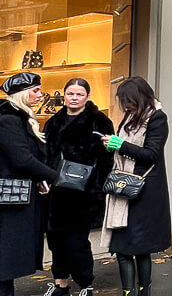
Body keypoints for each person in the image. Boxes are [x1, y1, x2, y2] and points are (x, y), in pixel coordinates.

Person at [43, 79, 114, 296]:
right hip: (56, 191)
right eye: (70, 93)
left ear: (87, 97)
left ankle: (86, 284)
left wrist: (97, 184)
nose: (74, 98)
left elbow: (107, 158)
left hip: (85, 193)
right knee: (56, 239)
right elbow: (47, 154)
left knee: (77, 241)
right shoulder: (53, 121)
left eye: (79, 94)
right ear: (63, 95)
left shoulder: (99, 121)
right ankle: (60, 283)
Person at [101, 77, 171, 296]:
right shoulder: (130, 117)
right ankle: (129, 292)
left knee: (141, 249)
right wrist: (112, 145)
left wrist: (121, 145)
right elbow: (125, 149)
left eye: (128, 101)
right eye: (124, 102)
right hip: (123, 190)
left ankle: (143, 290)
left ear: (140, 98)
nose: (126, 106)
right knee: (121, 247)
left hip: (144, 192)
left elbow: (151, 154)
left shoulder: (158, 118)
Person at [0, 73, 59, 296]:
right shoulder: (8, 119)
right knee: (6, 260)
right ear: (23, 94)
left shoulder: (15, 117)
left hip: (14, 196)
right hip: (9, 201)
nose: (39, 95)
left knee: (7, 261)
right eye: (35, 91)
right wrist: (55, 177)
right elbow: (21, 158)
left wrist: (38, 178)